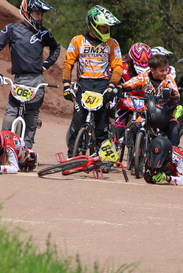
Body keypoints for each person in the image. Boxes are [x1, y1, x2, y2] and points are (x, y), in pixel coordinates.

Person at [0, 0, 60, 149]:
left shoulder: (44, 33)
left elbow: (56, 48)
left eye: (41, 14)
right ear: (27, 13)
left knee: (32, 116)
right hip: (19, 79)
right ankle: (3, 148)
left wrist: (46, 64)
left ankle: (26, 150)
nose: (40, 17)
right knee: (10, 114)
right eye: (37, 13)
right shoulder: (11, 29)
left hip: (37, 79)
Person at [62, 5, 123, 158]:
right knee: (77, 124)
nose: (105, 30)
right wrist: (66, 85)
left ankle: (101, 156)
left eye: (107, 27)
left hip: (103, 85)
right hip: (84, 84)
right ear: (93, 25)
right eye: (102, 27)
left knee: (101, 127)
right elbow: (68, 63)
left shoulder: (112, 43)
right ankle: (72, 155)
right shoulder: (77, 41)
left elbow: (117, 66)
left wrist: (111, 85)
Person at [121, 54, 180, 146]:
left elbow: (176, 95)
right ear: (152, 70)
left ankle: (173, 154)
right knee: (136, 126)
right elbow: (130, 83)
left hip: (165, 115)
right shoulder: (144, 77)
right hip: (147, 114)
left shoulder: (168, 80)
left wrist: (171, 92)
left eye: (166, 70)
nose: (165, 73)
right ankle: (138, 153)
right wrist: (122, 88)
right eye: (161, 71)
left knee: (175, 128)